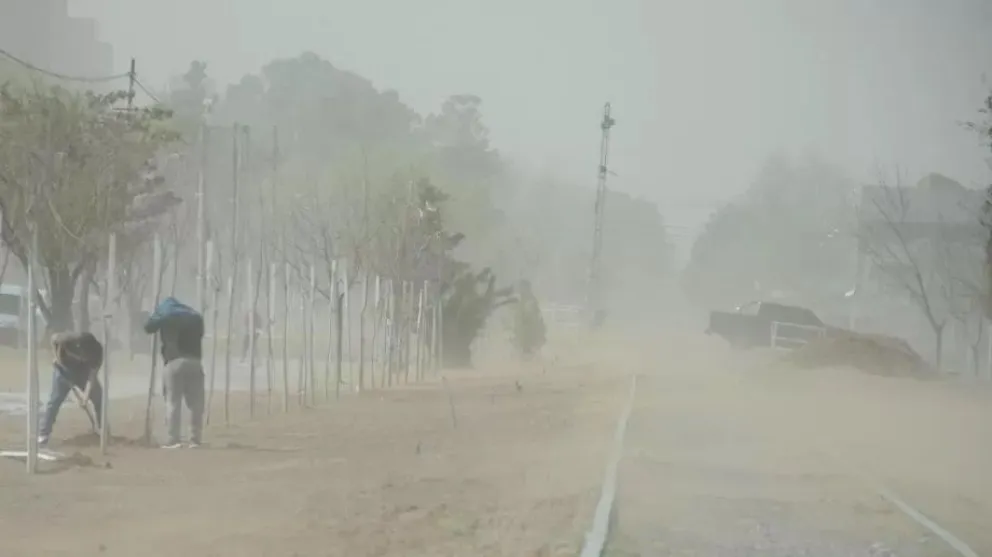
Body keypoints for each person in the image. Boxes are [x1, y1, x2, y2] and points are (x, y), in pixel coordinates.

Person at [144, 297, 205, 449]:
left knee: (173, 402)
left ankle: (173, 439)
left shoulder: (166, 314)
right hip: (195, 361)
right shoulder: (195, 316)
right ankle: (195, 440)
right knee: (195, 404)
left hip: (174, 362)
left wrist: (157, 316)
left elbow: (148, 327)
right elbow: (201, 334)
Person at [38, 331, 104, 447]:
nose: (83, 355)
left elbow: (92, 376)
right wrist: (57, 358)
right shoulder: (67, 340)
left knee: (98, 396)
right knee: (55, 401)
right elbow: (53, 338)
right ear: (78, 346)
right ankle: (44, 434)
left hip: (84, 372)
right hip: (63, 370)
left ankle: (102, 429)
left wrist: (85, 397)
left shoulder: (97, 352)